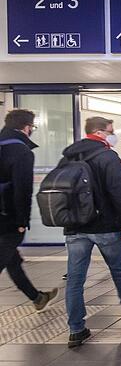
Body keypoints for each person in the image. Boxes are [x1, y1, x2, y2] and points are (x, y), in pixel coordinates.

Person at [62, 116, 121, 348]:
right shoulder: (107, 156)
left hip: (74, 226)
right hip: (104, 225)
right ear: (100, 133)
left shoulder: (69, 155)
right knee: (118, 268)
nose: (114, 135)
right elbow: (118, 193)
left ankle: (76, 329)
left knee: (74, 279)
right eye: (111, 131)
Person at [0, 110, 58, 311]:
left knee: (12, 260)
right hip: (7, 218)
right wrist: (22, 222)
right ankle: (37, 297)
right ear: (26, 127)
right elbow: (22, 189)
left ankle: (37, 297)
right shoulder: (21, 152)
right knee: (5, 255)